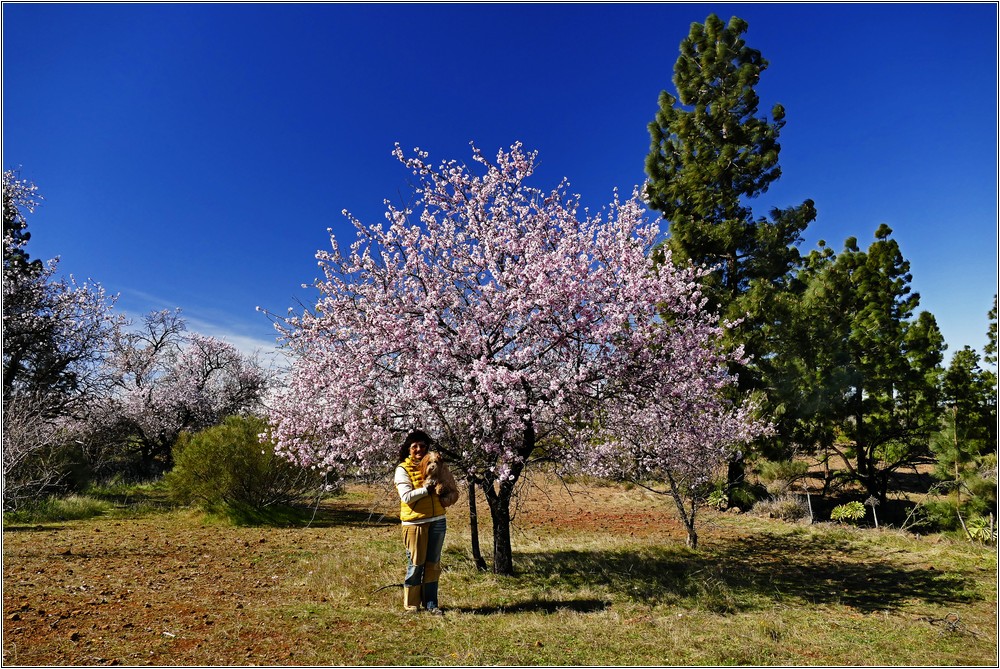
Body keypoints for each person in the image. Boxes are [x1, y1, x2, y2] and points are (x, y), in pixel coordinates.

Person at [394, 429, 447, 615]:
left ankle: (431, 604)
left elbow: (447, 485)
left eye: (423, 446)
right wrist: (426, 489)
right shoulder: (402, 469)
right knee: (416, 563)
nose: (419, 449)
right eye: (415, 446)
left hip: (438, 520)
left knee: (433, 563)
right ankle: (411, 605)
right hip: (415, 524)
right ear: (408, 449)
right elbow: (406, 497)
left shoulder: (436, 464)